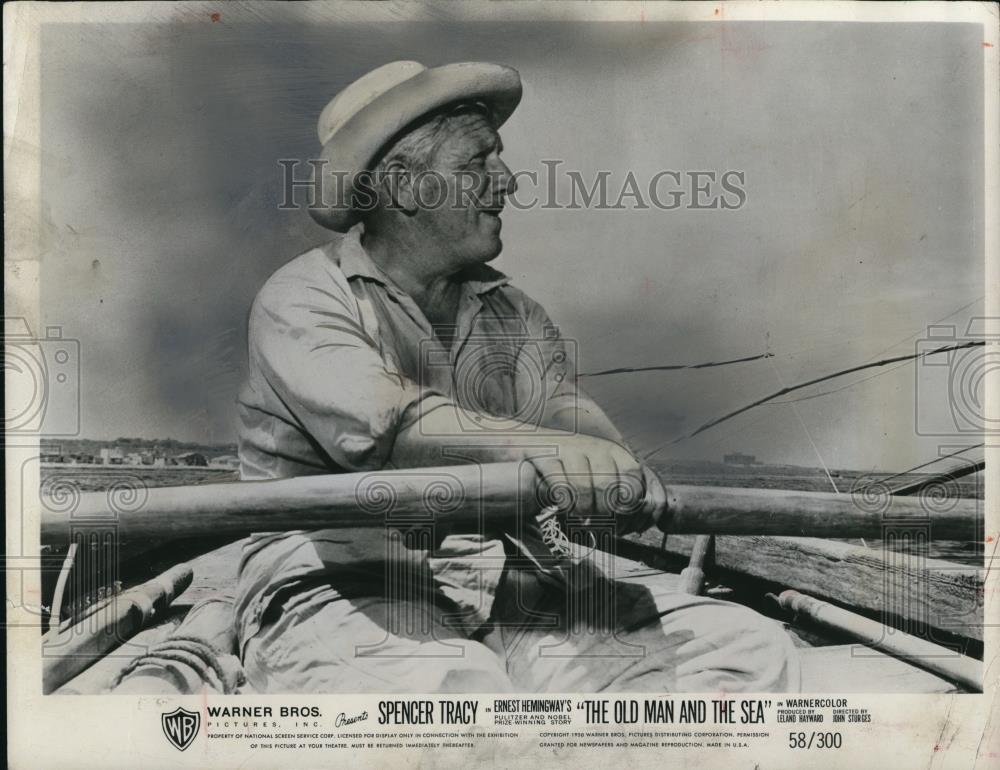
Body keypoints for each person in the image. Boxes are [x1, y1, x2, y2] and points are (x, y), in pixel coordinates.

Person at [234, 60, 800, 693]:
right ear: (404, 187)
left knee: (751, 651)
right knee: (460, 702)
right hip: (342, 584)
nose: (508, 181)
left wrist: (609, 469)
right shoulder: (302, 300)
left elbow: (567, 414)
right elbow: (397, 429)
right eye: (478, 163)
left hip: (512, 583)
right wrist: (554, 451)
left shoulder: (516, 314)